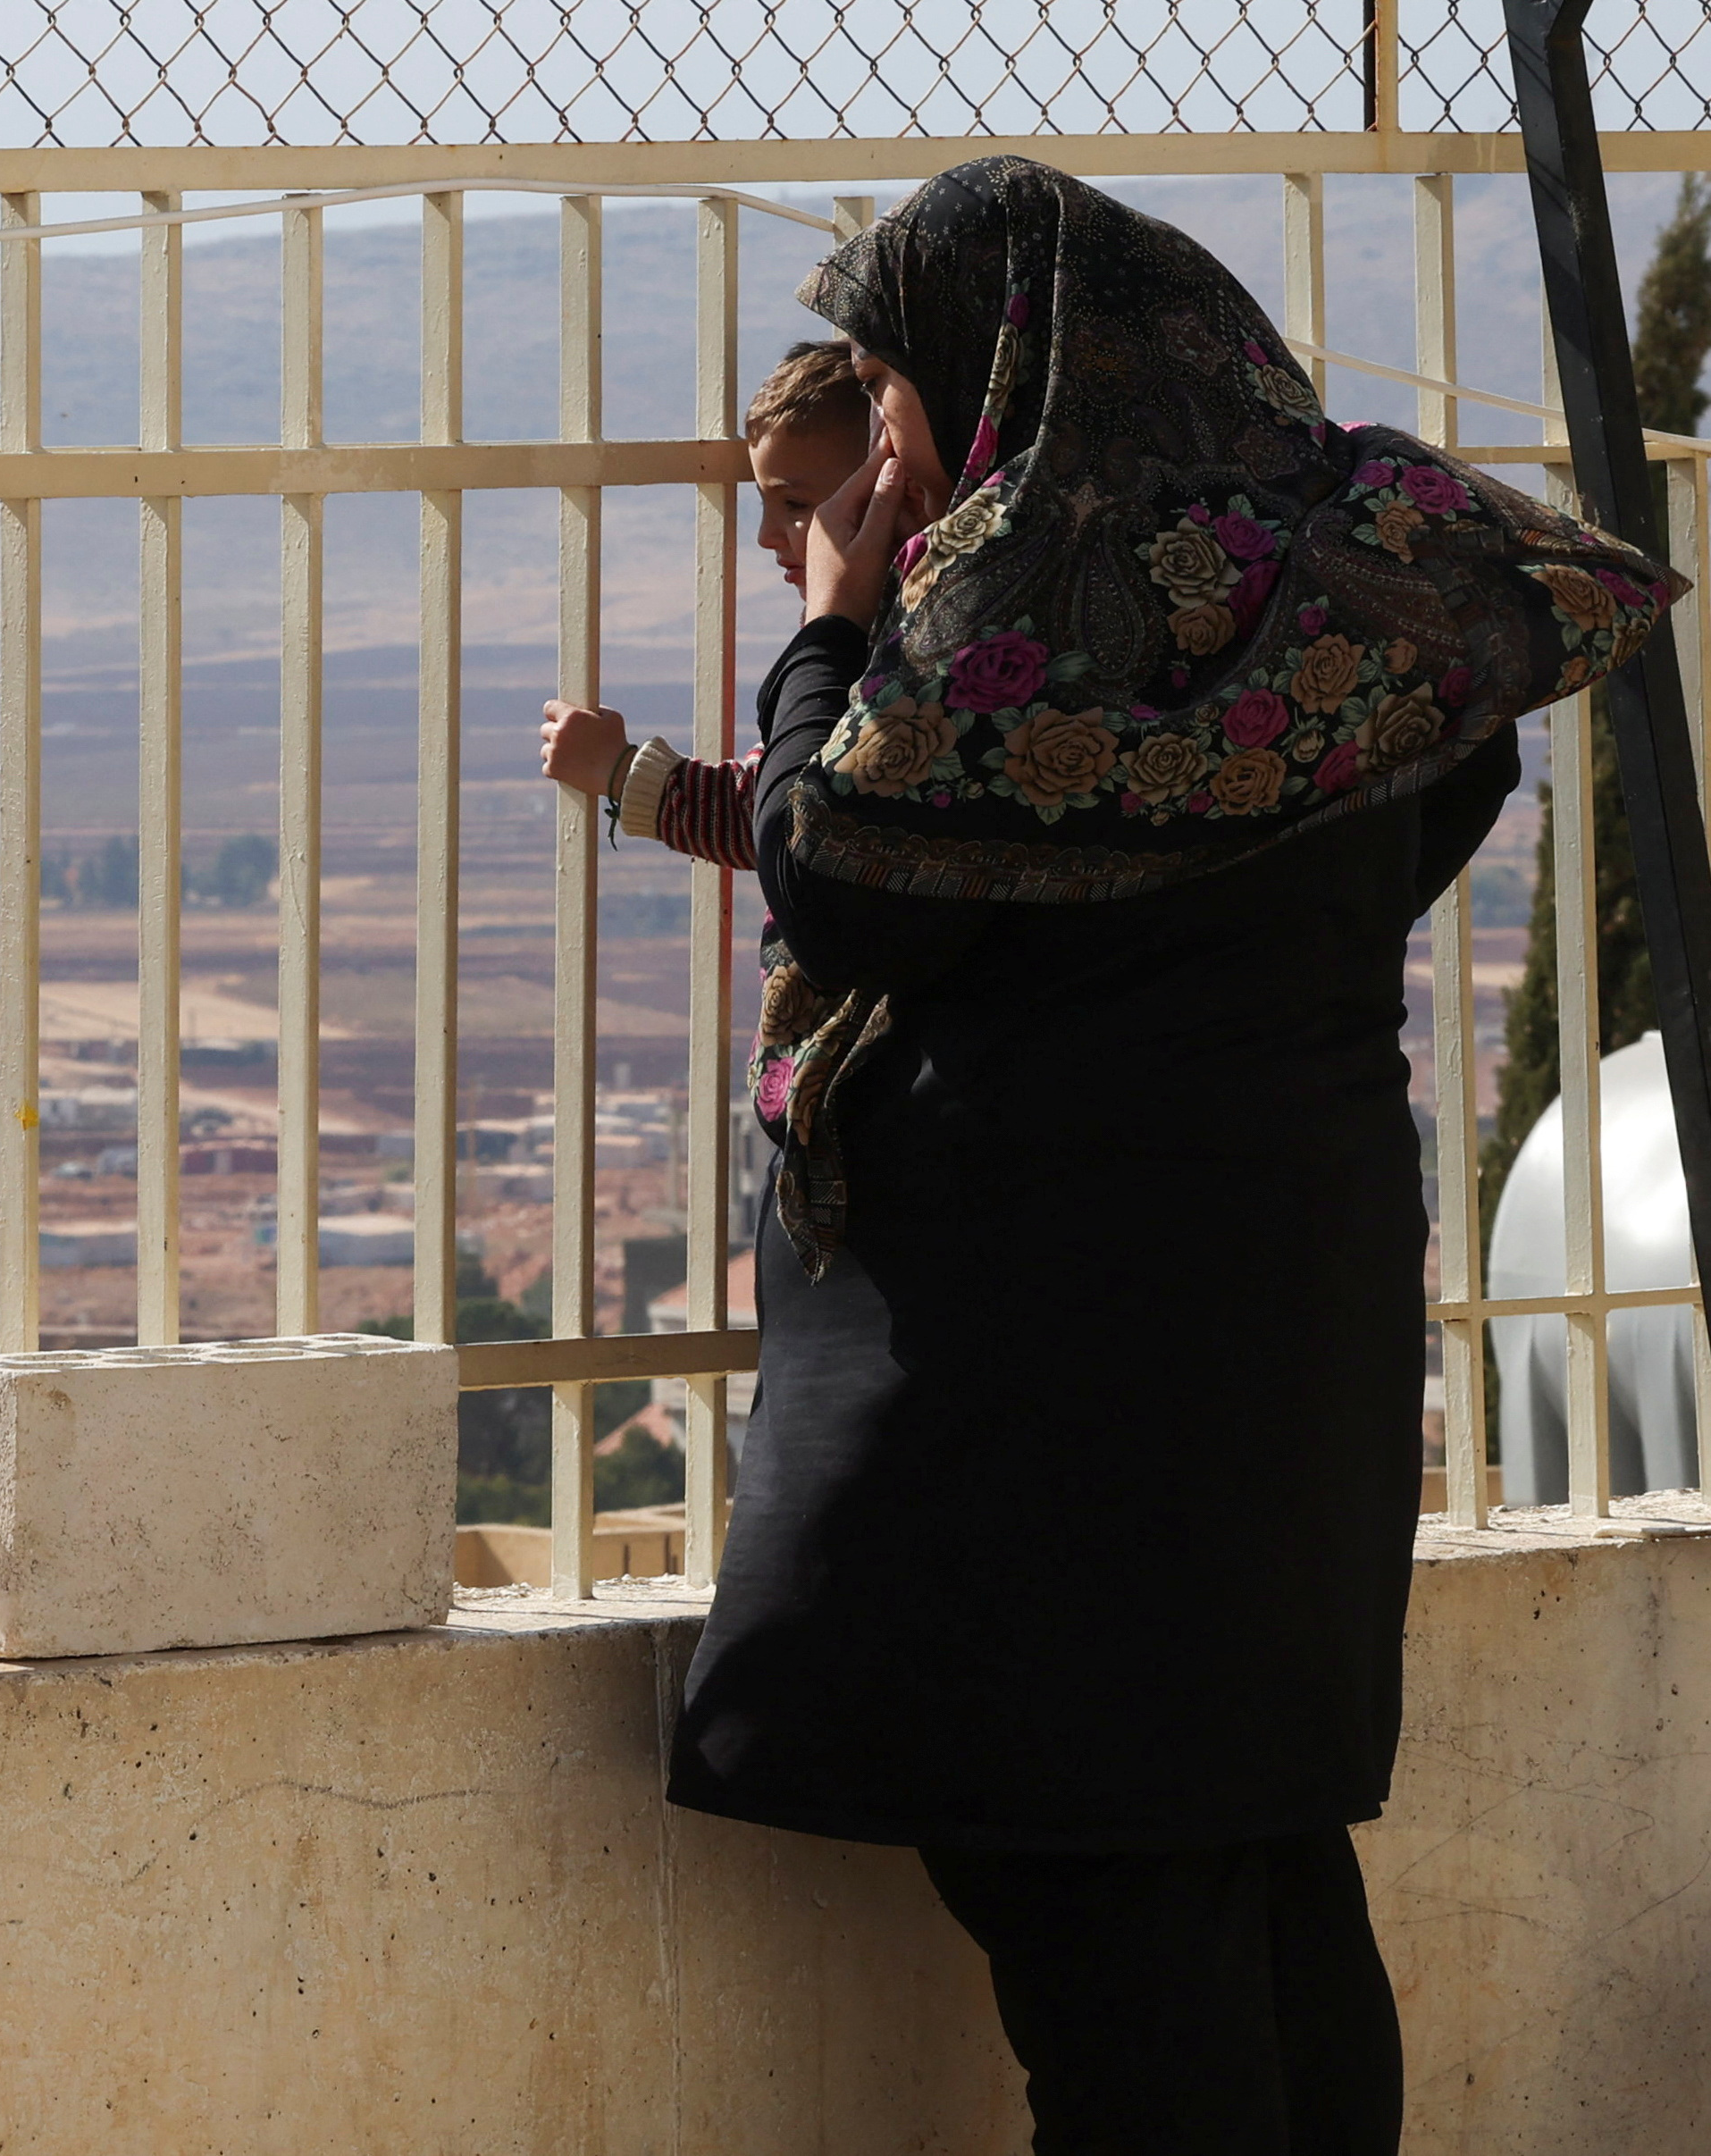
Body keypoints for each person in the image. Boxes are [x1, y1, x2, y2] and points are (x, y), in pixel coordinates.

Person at [541, 156, 1683, 2152]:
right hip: (1282, 1324)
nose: (881, 454)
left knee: (1105, 1943)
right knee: (1254, 1877)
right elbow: (1447, 777)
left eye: (887, 396)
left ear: (993, 364)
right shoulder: (1353, 553)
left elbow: (848, 881)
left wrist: (824, 628)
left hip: (1047, 1394)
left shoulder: (1003, 606)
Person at [543, 339, 875, 871]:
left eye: (794, 504)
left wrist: (620, 772)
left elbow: (783, 813)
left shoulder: (881, 636)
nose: (767, 535)